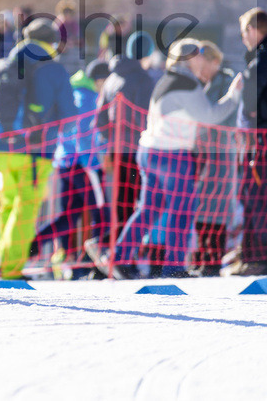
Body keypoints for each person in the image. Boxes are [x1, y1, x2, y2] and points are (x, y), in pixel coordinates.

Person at [98, 39, 242, 279]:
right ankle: (174, 268)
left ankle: (118, 257)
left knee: (149, 209)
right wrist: (234, 95)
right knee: (181, 211)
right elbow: (210, 116)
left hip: (149, 151)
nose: (203, 59)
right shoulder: (186, 84)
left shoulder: (166, 80)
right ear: (191, 59)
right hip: (172, 155)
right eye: (200, 54)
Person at [0, 18, 76, 279]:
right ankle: (11, 269)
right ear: (52, 42)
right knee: (26, 208)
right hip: (36, 152)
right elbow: (69, 114)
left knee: (7, 205)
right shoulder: (54, 70)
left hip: (2, 151)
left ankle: (2, 262)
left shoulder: (1, 66)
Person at [34, 59, 110, 275]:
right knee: (101, 212)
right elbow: (83, 134)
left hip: (65, 162)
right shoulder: (89, 97)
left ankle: (31, 247)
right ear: (100, 80)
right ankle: (98, 263)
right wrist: (93, 163)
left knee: (69, 216)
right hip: (83, 164)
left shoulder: (75, 92)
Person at [95, 30, 156, 242]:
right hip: (135, 152)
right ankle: (116, 251)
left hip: (116, 151)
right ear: (146, 54)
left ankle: (108, 248)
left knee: (120, 202)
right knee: (133, 204)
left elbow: (100, 119)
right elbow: (146, 118)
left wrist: (111, 139)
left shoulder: (112, 78)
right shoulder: (143, 80)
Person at [188, 41, 238, 276]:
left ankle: (212, 260)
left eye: (202, 64)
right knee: (202, 207)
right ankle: (201, 258)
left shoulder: (227, 84)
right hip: (203, 154)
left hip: (220, 153)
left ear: (214, 61)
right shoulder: (202, 86)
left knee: (216, 206)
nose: (199, 70)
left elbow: (220, 117)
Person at [227, 7, 267, 276]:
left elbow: (250, 102)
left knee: (256, 196)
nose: (243, 39)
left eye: (244, 33)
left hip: (260, 141)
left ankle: (256, 258)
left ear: (254, 30)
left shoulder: (260, 61)